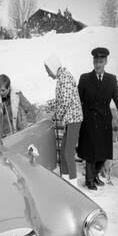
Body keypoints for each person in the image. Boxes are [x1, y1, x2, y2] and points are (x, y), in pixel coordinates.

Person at [77, 47, 118, 190]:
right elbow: (77, 100)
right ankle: (89, 180)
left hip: (104, 121)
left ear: (106, 62)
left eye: (101, 61)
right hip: (89, 121)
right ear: (93, 61)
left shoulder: (111, 79)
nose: (98, 64)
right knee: (91, 153)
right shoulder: (85, 78)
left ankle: (95, 175)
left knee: (103, 153)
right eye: (96, 61)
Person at [44, 54, 83, 186]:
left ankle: (73, 184)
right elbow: (62, 99)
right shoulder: (62, 77)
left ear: (53, 67)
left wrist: (57, 116)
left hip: (74, 119)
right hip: (70, 119)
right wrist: (53, 105)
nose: (48, 74)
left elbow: (65, 102)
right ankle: (66, 182)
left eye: (48, 70)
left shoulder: (65, 78)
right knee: (63, 151)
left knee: (68, 152)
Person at [0, 74, 35, 139]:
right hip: (0, 137)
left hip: (16, 134)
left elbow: (29, 110)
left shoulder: (17, 94)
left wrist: (30, 126)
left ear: (9, 87)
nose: (1, 93)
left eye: (3, 90)